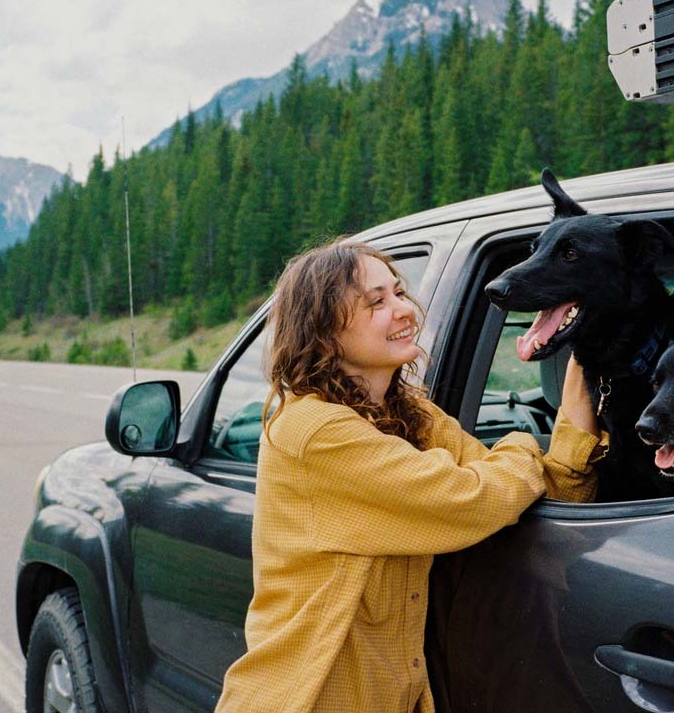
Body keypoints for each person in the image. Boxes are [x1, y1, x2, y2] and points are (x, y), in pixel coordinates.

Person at [215, 239, 608, 713]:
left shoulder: (411, 415)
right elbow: (470, 499)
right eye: (376, 302)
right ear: (322, 334)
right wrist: (524, 445)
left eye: (399, 292)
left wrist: (575, 406)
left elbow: (530, 492)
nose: (404, 310)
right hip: (308, 698)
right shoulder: (314, 430)